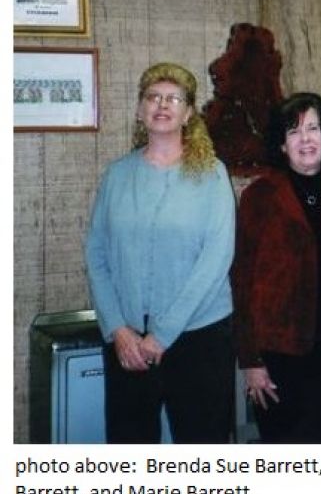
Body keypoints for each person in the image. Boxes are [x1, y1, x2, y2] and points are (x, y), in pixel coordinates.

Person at [85, 62, 236, 443]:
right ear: (140, 110)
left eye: (174, 98)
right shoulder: (117, 175)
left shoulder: (212, 174)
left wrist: (161, 336)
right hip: (127, 343)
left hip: (199, 338)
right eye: (153, 97)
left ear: (188, 114)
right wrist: (117, 329)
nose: (162, 104)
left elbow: (216, 260)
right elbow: (97, 255)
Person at [232, 92, 321, 443]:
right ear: (281, 143)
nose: (305, 139)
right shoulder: (258, 196)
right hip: (277, 353)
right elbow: (241, 279)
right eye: (294, 131)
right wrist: (250, 360)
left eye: (313, 128)